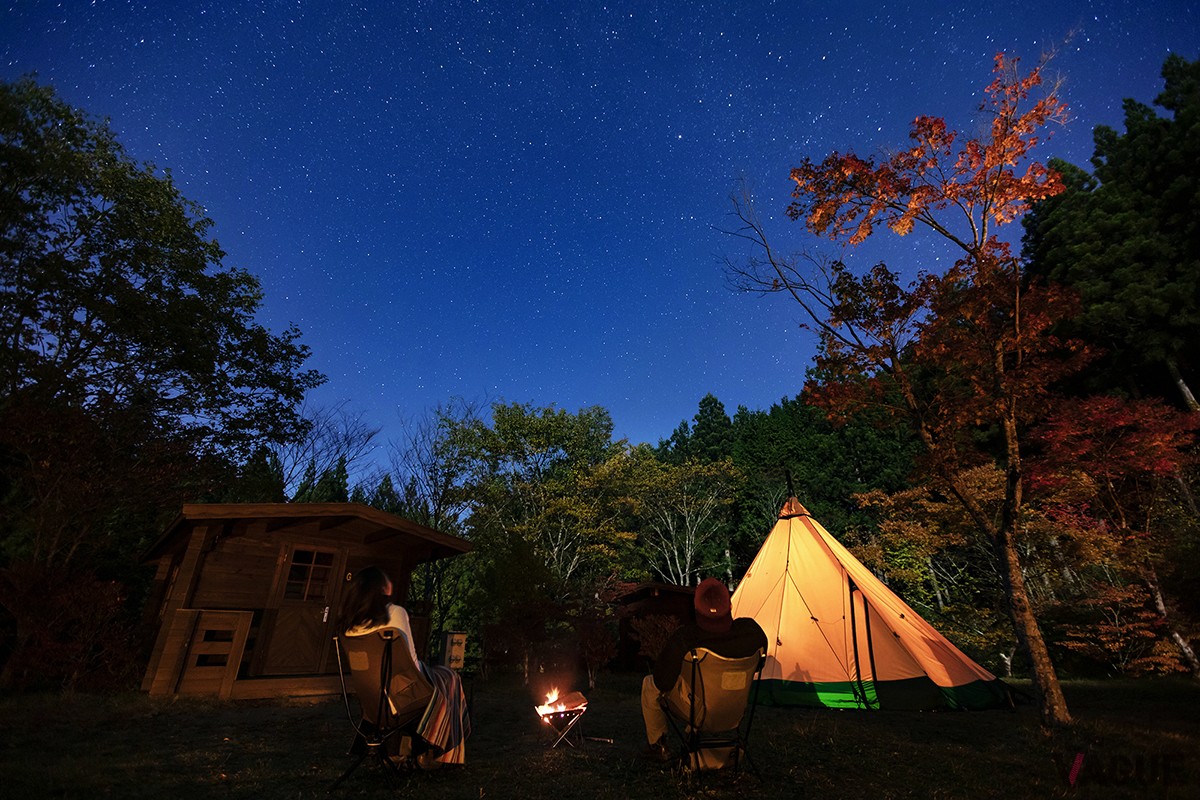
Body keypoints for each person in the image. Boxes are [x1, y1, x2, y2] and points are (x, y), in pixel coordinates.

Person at [338, 565, 471, 765]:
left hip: (371, 703)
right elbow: (412, 665)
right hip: (402, 700)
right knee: (450, 678)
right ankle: (440, 751)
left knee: (443, 677)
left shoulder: (349, 627)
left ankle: (411, 748)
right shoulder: (395, 613)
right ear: (382, 589)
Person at [640, 577, 767, 762]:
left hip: (699, 713)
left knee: (650, 684)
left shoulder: (685, 639)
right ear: (730, 605)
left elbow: (662, 681)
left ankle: (658, 745)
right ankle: (693, 736)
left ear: (696, 608)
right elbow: (759, 666)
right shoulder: (753, 633)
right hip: (734, 712)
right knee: (706, 685)